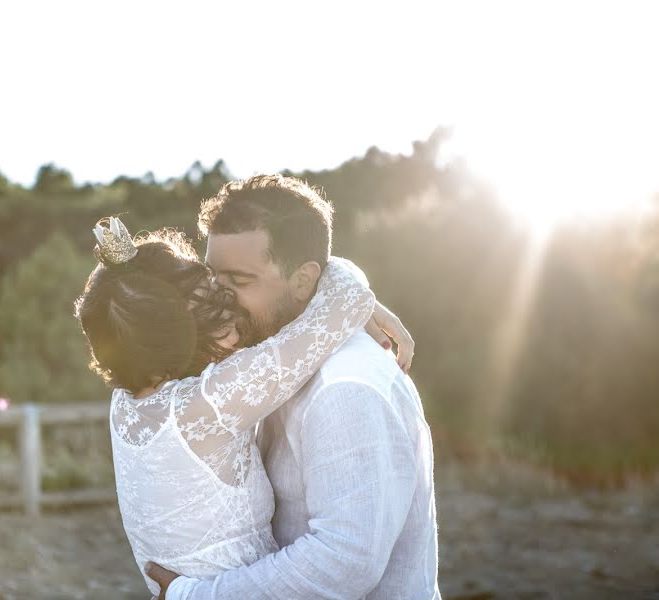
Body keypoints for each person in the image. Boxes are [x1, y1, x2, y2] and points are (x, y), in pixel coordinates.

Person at [76, 216, 404, 598]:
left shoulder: (129, 404)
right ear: (167, 348)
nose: (234, 327)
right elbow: (340, 307)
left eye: (219, 301)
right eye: (211, 320)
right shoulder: (206, 403)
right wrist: (354, 293)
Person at [145, 174, 440, 599]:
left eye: (240, 281)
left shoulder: (346, 388)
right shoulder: (269, 351)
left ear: (304, 280)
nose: (217, 298)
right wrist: (348, 290)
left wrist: (198, 596)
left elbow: (344, 562)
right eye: (214, 278)